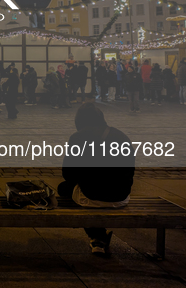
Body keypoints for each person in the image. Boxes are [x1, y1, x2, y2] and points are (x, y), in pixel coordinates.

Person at [57, 103, 135, 254]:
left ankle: (96, 235)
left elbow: (68, 173)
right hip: (121, 197)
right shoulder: (121, 136)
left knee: (64, 188)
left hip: (92, 197)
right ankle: (98, 236)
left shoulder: (78, 137)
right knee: (89, 189)